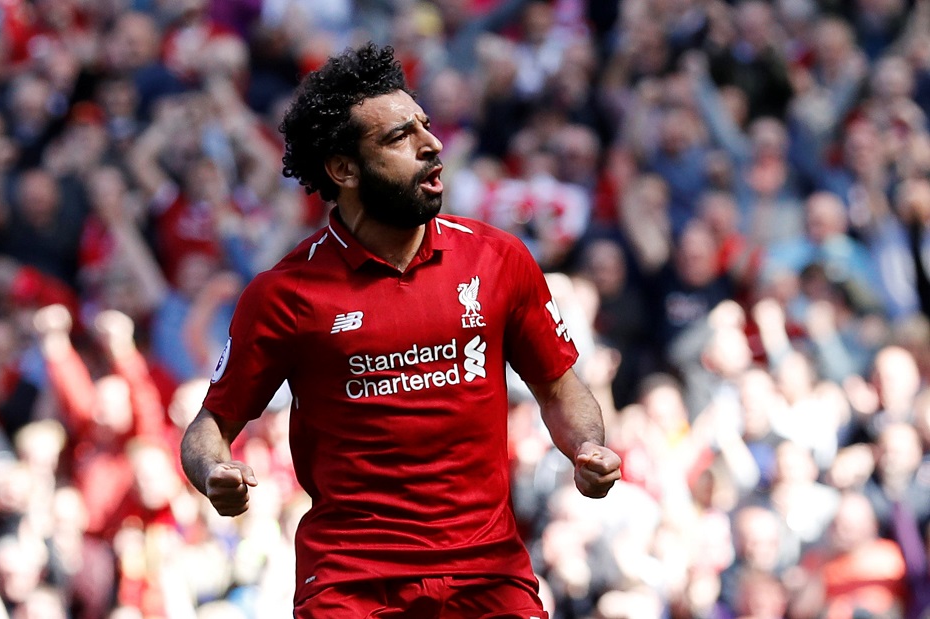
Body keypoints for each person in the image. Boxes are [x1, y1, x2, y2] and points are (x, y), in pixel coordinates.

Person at [179, 43, 621, 618]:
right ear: (344, 169)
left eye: (425, 126)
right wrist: (216, 471)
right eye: (398, 138)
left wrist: (587, 446)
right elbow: (208, 428)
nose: (431, 145)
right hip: (353, 582)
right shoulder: (283, 295)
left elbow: (561, 390)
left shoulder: (500, 260)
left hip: (487, 570)